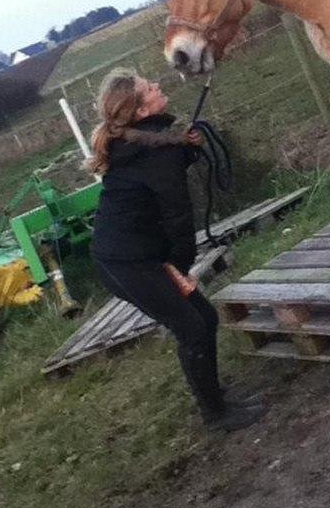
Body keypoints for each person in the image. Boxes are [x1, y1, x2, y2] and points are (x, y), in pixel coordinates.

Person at [87, 68, 264, 433]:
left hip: (135, 255)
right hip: (127, 263)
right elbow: (178, 216)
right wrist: (180, 266)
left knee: (205, 319)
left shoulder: (138, 144)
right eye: (148, 87)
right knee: (192, 327)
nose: (157, 85)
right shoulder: (152, 152)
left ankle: (212, 395)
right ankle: (216, 415)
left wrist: (187, 149)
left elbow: (154, 169)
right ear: (141, 111)